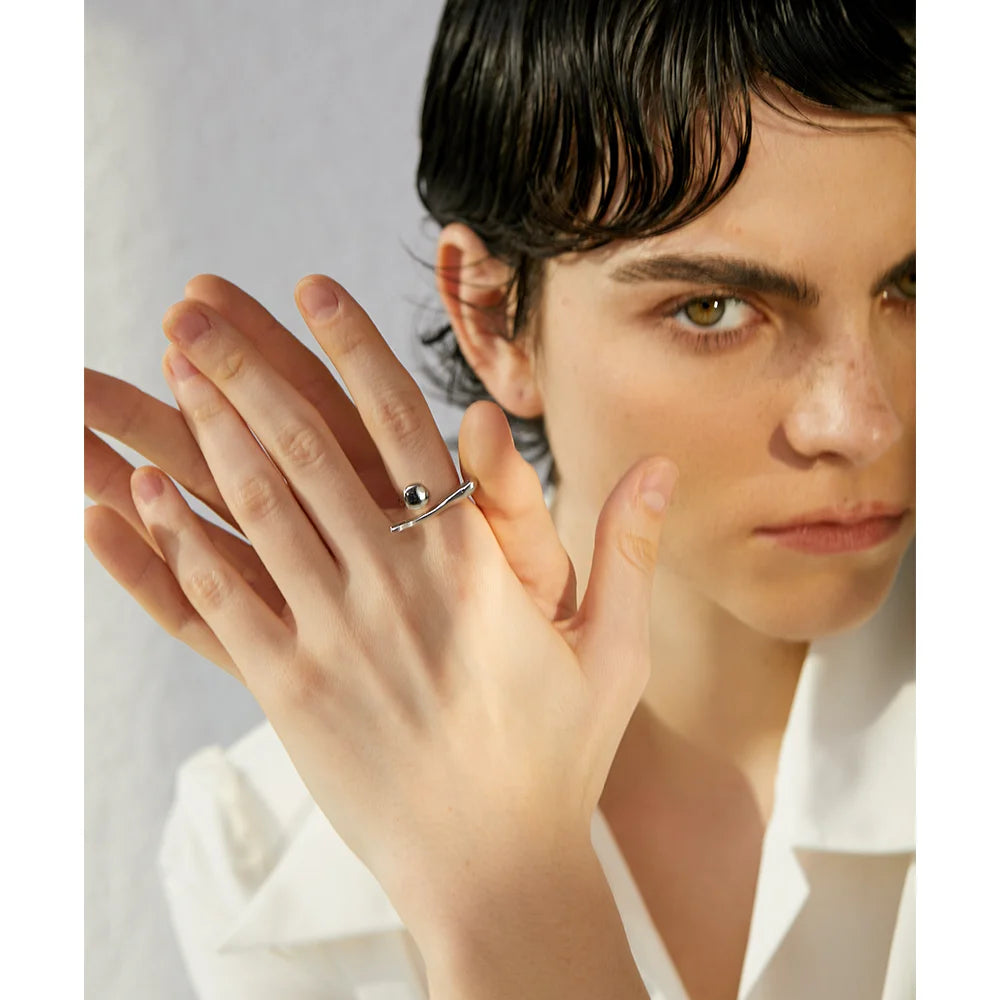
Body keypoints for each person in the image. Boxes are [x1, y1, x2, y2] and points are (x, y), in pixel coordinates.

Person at [83, 1, 916, 997]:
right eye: (712, 308)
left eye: (923, 286)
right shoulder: (265, 855)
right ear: (493, 317)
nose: (860, 423)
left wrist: (508, 901)